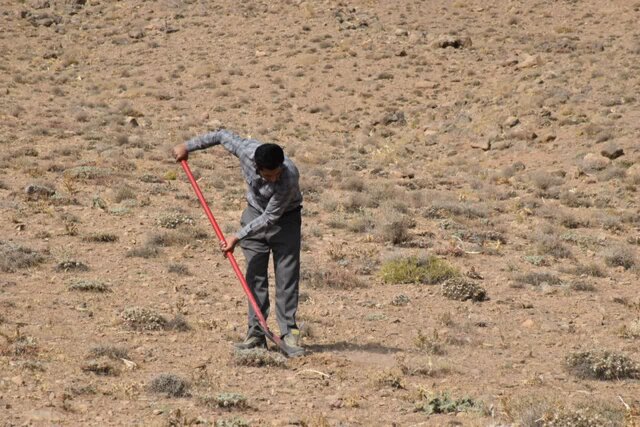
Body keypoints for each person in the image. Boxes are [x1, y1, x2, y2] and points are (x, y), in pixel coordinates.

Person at [172, 129, 304, 354]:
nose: (273, 179)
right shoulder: (246, 151)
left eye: (276, 173)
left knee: (286, 277)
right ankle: (256, 333)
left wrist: (237, 236)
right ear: (257, 166)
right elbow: (221, 136)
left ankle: (289, 333)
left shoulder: (289, 176)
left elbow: (271, 217)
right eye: (268, 175)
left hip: (285, 220)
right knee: (255, 275)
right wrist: (188, 146)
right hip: (253, 214)